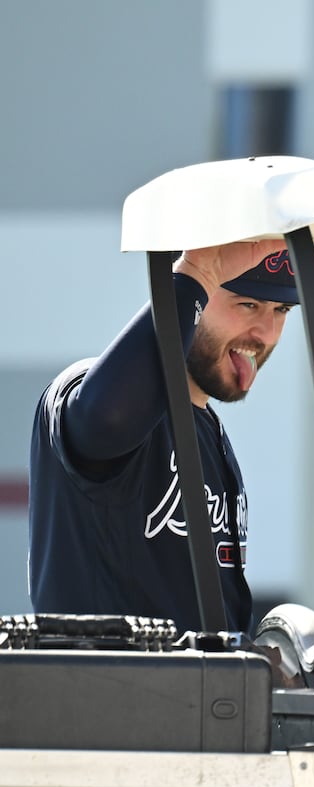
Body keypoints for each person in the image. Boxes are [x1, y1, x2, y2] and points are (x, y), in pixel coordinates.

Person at [29, 241, 298, 633]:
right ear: (194, 299)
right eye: (247, 305)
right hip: (104, 691)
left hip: (199, 693)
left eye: (281, 310)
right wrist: (200, 272)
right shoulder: (83, 391)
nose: (267, 333)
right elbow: (108, 416)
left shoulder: (209, 429)